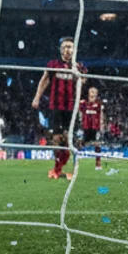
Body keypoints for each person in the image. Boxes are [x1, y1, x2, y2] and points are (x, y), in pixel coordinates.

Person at [32, 37, 87, 179]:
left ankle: (61, 169)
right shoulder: (53, 64)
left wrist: (78, 75)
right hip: (56, 106)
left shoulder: (79, 66)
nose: (67, 50)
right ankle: (57, 169)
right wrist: (37, 97)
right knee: (56, 138)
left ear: (74, 49)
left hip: (72, 108)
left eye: (70, 47)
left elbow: (83, 82)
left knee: (69, 140)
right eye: (65, 47)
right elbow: (44, 80)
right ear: (60, 49)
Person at [79, 86, 105, 171]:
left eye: (95, 92)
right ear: (89, 93)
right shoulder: (83, 103)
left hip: (95, 127)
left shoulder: (98, 104)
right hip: (86, 127)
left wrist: (102, 125)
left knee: (97, 144)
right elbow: (79, 111)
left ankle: (98, 164)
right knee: (81, 144)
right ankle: (75, 160)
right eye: (92, 92)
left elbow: (101, 114)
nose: (94, 94)